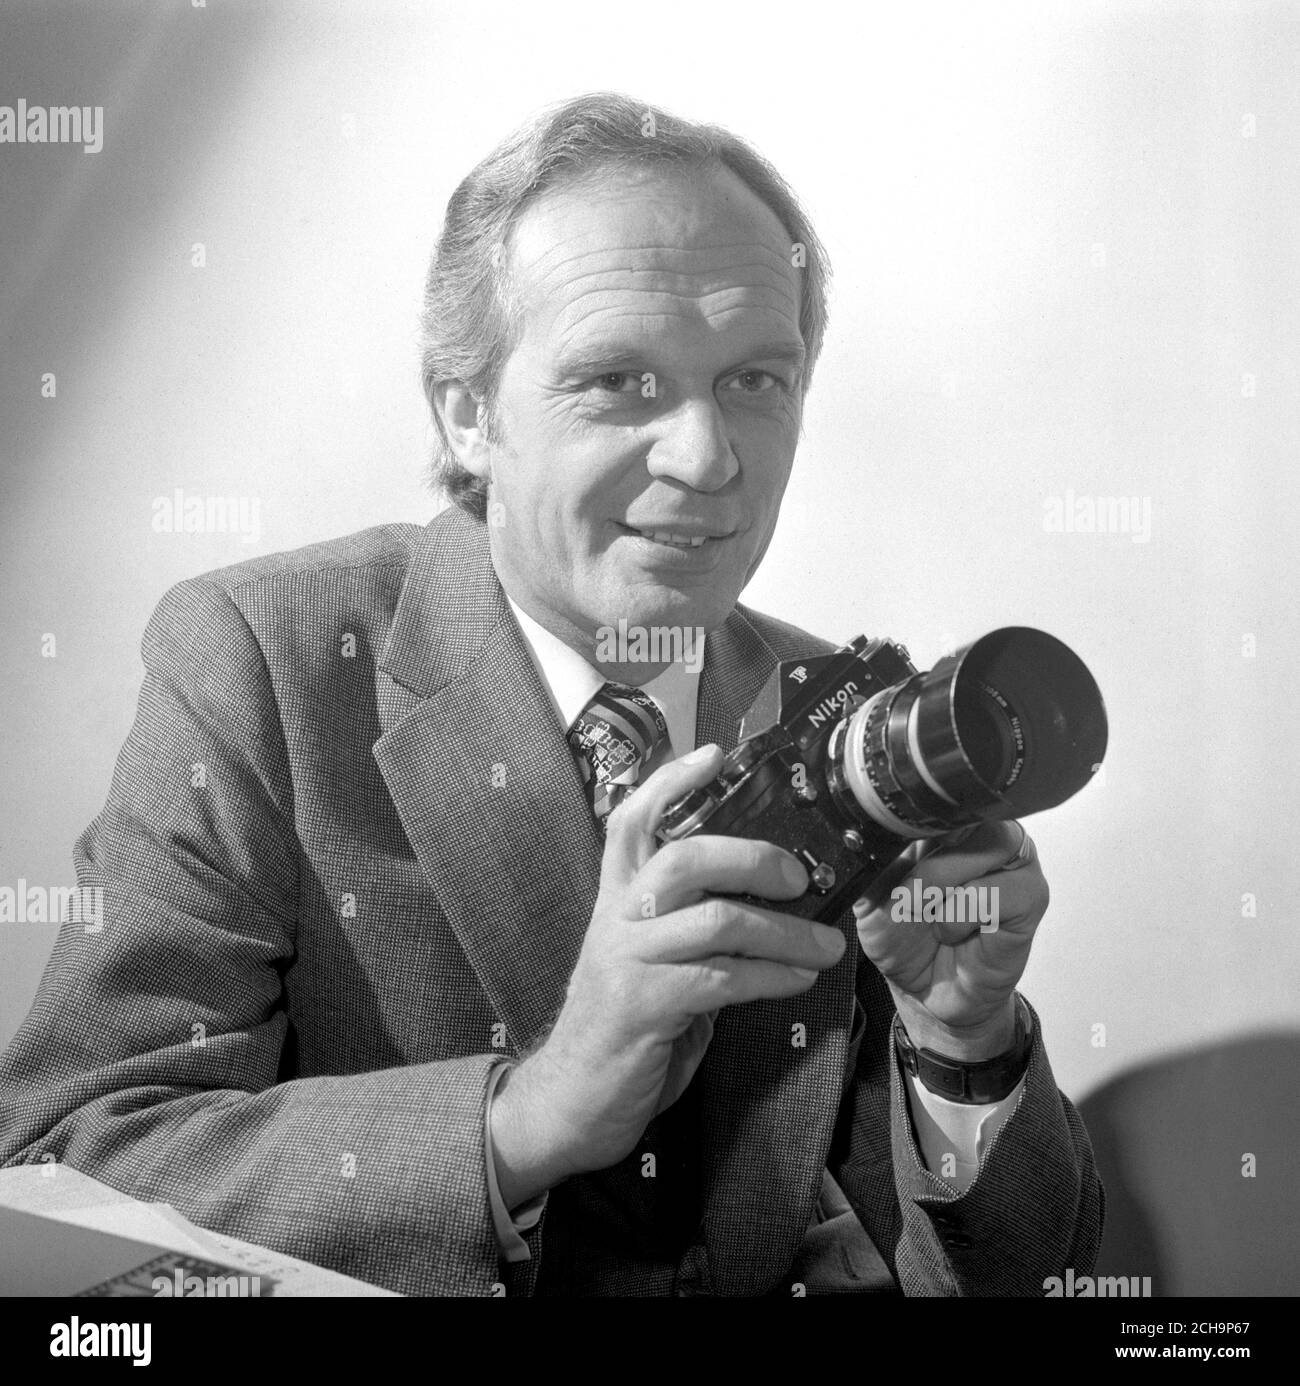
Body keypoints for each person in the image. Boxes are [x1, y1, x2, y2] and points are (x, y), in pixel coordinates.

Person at [0, 92, 1102, 1297]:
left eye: (755, 380)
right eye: (619, 380)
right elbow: (68, 1164)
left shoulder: (830, 717)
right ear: (468, 412)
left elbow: (1006, 1279)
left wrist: (964, 1049)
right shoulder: (264, 663)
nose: (707, 458)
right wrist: (528, 1115)